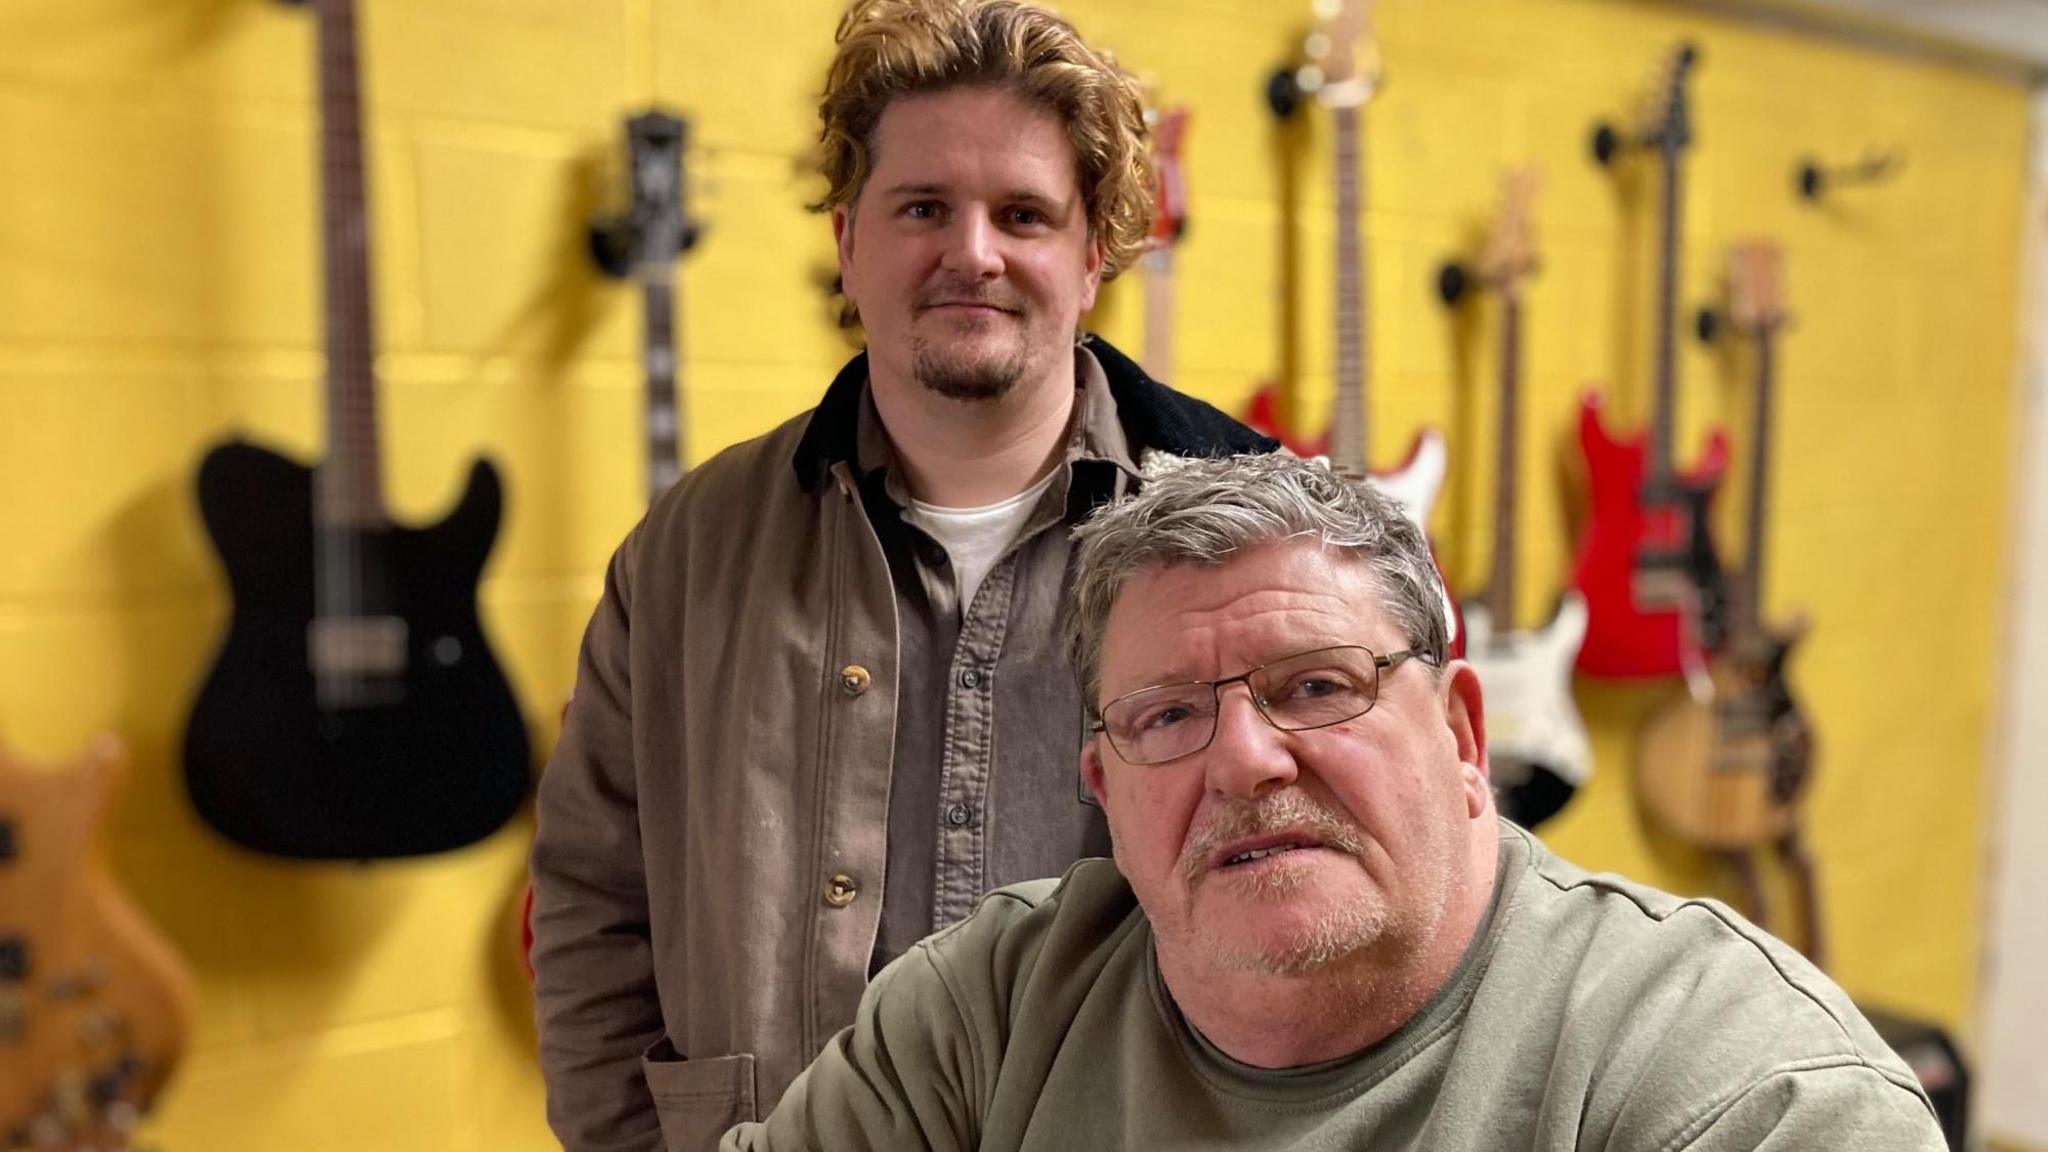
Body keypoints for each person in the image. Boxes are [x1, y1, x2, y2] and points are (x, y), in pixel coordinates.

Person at [527, 0, 1278, 1148]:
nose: (969, 252)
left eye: (1021, 214)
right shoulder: (687, 548)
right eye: (922, 206)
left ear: (1090, 256)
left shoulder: (1259, 534)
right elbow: (591, 900)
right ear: (846, 240)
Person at [722, 452, 1945, 1152]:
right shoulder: (989, 1013)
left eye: (1316, 686)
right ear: (1103, 789)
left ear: (1463, 735)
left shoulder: (1726, 1083)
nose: (1245, 761)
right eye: (1166, 716)